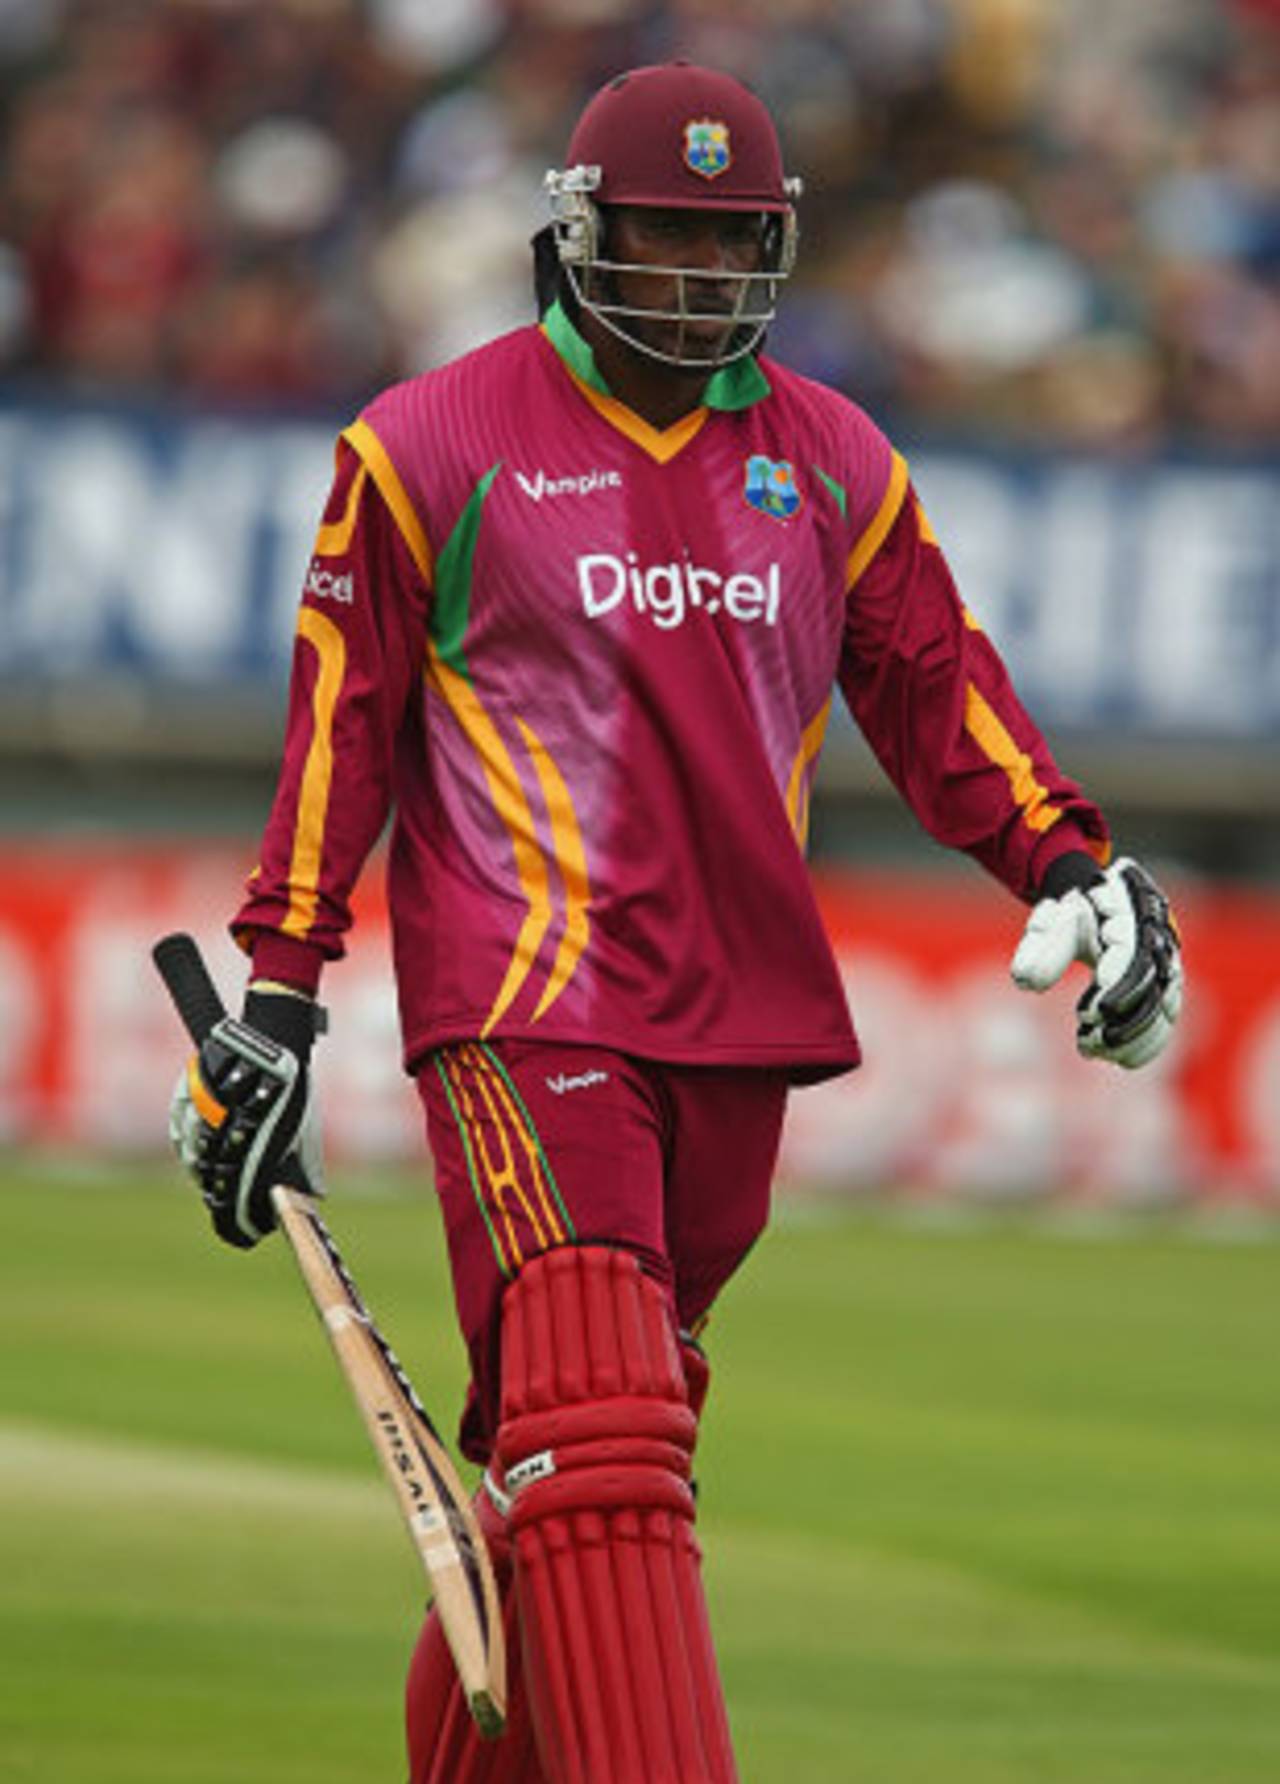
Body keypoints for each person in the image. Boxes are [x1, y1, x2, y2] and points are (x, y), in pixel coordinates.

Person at [169, 61, 1183, 1784]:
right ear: (581, 235)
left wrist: (1073, 863)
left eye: (736, 242)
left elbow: (941, 693)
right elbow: (338, 729)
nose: (706, 275)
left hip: (737, 1024)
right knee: (609, 1443)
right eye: (669, 233)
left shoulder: (829, 456)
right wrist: (278, 996)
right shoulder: (428, 443)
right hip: (523, 1002)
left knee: (567, 1497)